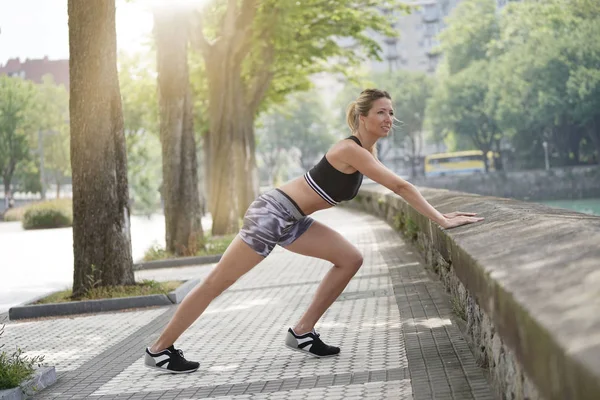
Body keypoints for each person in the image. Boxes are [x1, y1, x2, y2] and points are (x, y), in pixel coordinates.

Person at [144, 88, 484, 373]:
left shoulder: (366, 151)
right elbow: (400, 186)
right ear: (362, 117)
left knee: (350, 258)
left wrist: (439, 213)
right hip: (272, 214)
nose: (389, 119)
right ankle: (159, 349)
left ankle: (302, 331)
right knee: (218, 282)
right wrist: (442, 219)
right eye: (381, 112)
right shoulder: (350, 149)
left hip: (292, 219)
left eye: (391, 113)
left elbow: (397, 184)